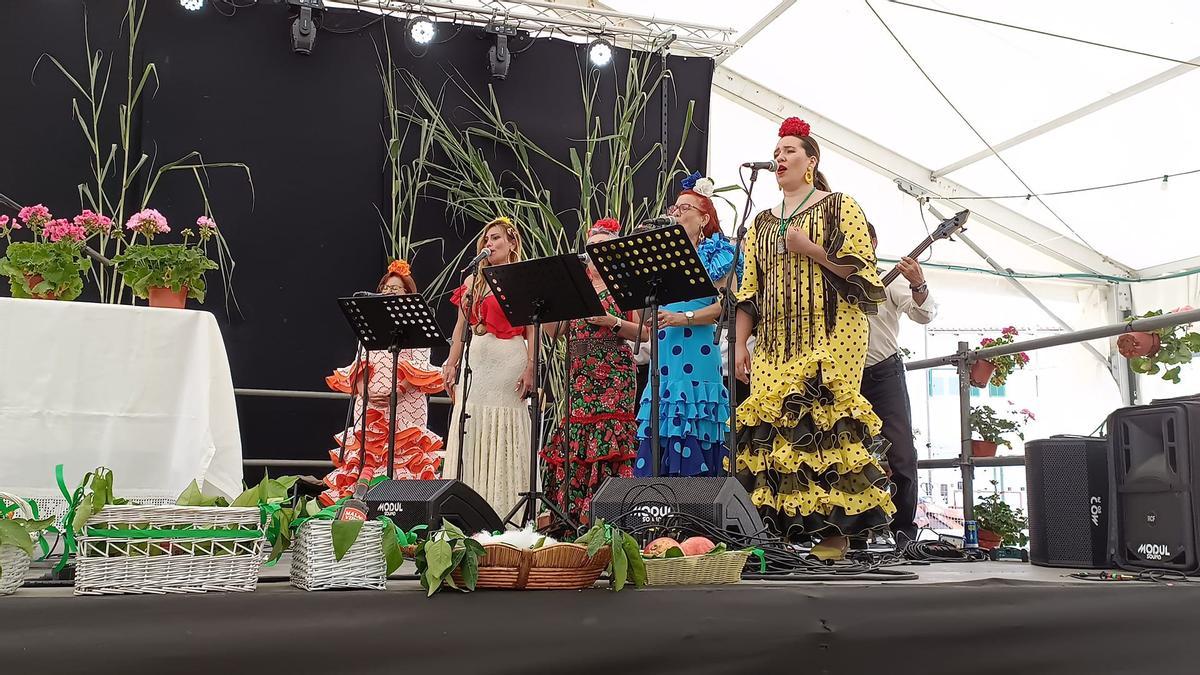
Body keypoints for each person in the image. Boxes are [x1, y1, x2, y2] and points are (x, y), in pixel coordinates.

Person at [732, 117, 895, 560]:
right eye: (777, 151)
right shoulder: (761, 223)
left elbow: (862, 270)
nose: (780, 157)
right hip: (774, 341)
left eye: (790, 150)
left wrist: (810, 249)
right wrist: (740, 347)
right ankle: (783, 534)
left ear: (812, 161)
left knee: (826, 425)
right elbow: (748, 292)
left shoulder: (839, 206)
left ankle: (834, 536)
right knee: (775, 432)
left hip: (832, 333)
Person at [634, 172, 736, 478]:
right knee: (661, 414)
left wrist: (684, 317)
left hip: (698, 346)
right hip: (665, 350)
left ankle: (695, 493)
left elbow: (726, 306)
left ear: (704, 218)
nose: (676, 213)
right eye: (674, 208)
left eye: (684, 208)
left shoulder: (719, 253)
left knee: (694, 413)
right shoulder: (662, 256)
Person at [539, 218, 640, 526]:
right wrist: (547, 305)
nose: (593, 253)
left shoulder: (624, 285)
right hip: (579, 374)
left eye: (601, 247)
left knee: (608, 438)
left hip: (614, 373)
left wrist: (612, 322)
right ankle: (572, 517)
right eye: (590, 247)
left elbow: (644, 333)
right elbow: (555, 332)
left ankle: (607, 515)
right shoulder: (575, 287)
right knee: (578, 438)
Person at [319, 259, 445, 506]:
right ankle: (359, 509)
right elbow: (359, 363)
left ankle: (404, 510)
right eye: (385, 289)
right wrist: (364, 391)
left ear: (408, 294)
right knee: (367, 458)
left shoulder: (417, 323)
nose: (388, 293)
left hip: (405, 405)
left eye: (395, 289)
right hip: (369, 406)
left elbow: (420, 365)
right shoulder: (371, 323)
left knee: (403, 458)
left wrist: (396, 391)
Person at [441, 217, 536, 520]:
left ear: (512, 243)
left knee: (503, 426)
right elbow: (460, 328)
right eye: (486, 239)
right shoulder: (473, 282)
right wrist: (452, 363)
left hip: (509, 361)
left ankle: (506, 509)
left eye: (496, 238)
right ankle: (466, 510)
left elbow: (532, 329)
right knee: (471, 424)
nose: (490, 244)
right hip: (476, 364)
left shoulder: (521, 279)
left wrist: (531, 367)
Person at [862, 221, 936, 544]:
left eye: (862, 237)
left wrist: (918, 284)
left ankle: (904, 530)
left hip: (884, 374)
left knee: (902, 453)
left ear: (874, 242)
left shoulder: (889, 280)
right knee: (846, 455)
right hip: (845, 377)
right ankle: (852, 533)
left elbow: (923, 314)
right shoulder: (830, 281)